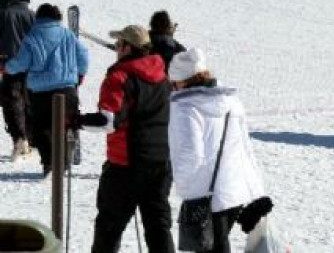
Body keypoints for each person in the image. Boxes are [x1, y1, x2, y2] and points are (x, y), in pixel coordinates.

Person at [80, 24, 174, 252]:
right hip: (160, 160)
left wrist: (75, 120)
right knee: (158, 225)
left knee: (109, 227)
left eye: (119, 44)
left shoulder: (120, 75)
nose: (116, 48)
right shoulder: (162, 73)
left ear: (128, 47)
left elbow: (108, 121)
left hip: (126, 164)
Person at [168, 48, 272, 251]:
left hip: (204, 196)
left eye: (173, 83)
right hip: (234, 191)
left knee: (210, 246)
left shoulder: (185, 109)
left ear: (183, 80)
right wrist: (256, 191)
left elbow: (189, 155)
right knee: (220, 243)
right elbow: (245, 149)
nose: (172, 88)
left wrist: (187, 195)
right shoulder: (232, 102)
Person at [3, 3, 88, 174]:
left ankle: (49, 163)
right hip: (67, 89)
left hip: (41, 92)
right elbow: (83, 56)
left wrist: (7, 67)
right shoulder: (68, 35)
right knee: (65, 125)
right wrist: (79, 75)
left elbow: (21, 63)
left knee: (42, 127)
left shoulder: (32, 37)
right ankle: (63, 162)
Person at [0, 0, 34, 160]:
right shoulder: (32, 15)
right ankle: (28, 137)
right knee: (28, 100)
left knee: (11, 101)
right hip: (31, 67)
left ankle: (19, 138)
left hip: (9, 64)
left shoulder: (5, 13)